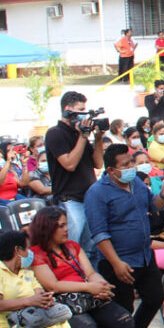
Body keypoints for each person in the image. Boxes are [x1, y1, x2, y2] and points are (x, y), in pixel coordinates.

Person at [28, 207, 132, 328]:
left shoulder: (73, 246)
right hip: (63, 303)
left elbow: (90, 272)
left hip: (88, 296)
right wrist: (89, 287)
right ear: (46, 228)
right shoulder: (36, 254)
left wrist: (100, 284)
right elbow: (53, 285)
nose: (66, 229)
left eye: (66, 224)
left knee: (125, 321)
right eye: (60, 226)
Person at [85, 144, 164, 328]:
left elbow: (154, 207)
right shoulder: (97, 193)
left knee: (155, 298)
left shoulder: (136, 186)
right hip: (120, 261)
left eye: (131, 163)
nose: (131, 168)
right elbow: (99, 233)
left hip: (144, 255)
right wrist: (115, 262)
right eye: (125, 165)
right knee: (124, 310)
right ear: (111, 169)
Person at [45, 92, 106, 253]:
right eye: (81, 110)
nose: (85, 116)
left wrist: (98, 138)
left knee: (92, 248)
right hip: (70, 201)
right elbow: (69, 164)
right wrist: (83, 136)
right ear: (68, 110)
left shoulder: (79, 134)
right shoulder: (55, 133)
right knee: (72, 248)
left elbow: (98, 163)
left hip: (89, 198)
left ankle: (91, 277)